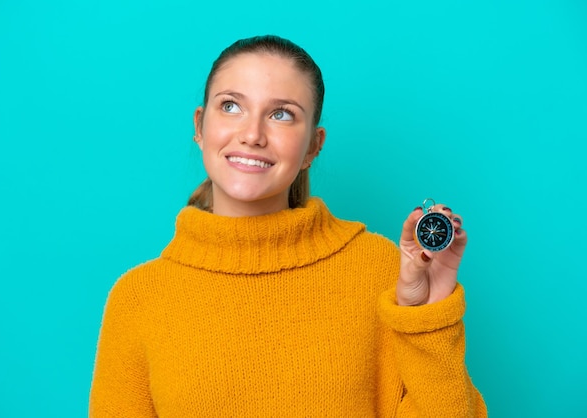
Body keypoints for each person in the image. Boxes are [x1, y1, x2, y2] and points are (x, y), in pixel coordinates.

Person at [89, 35, 487, 417]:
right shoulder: (138, 300)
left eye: (281, 114)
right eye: (231, 106)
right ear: (199, 125)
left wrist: (427, 317)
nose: (252, 134)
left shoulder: (383, 271)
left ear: (314, 145)